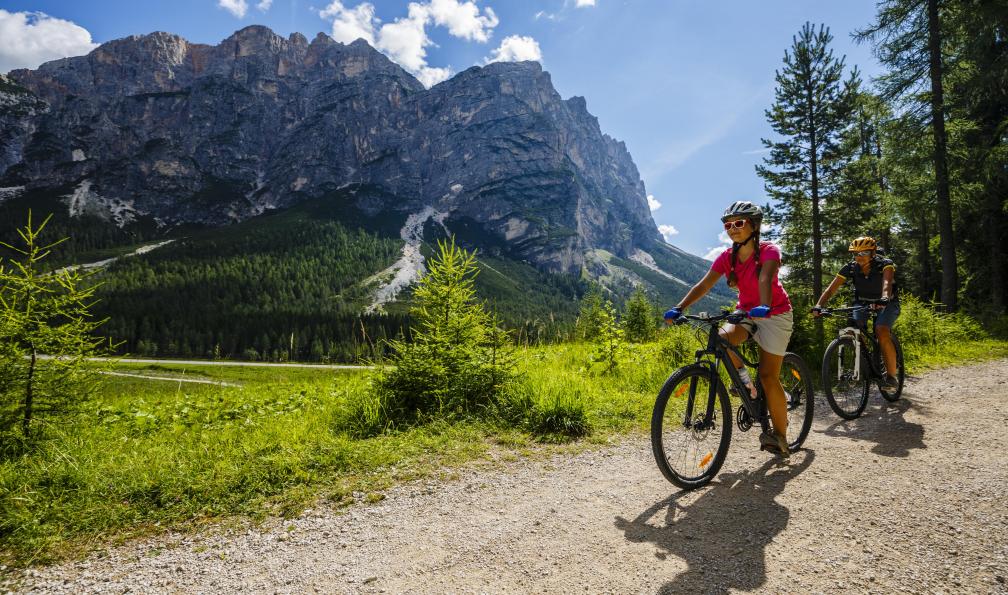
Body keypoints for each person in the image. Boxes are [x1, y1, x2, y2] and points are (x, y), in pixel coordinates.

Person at [663, 201, 794, 458]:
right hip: (745, 312)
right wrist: (679, 307)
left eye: (738, 223)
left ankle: (779, 435)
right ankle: (746, 385)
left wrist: (765, 305)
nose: (732, 228)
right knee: (722, 338)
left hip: (775, 314)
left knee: (769, 377)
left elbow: (766, 278)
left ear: (754, 226)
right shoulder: (728, 257)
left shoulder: (769, 251)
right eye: (727, 225)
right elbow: (704, 285)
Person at [812, 236, 900, 392]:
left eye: (864, 252)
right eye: (856, 253)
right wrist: (819, 305)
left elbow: (887, 284)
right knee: (853, 329)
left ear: (873, 253)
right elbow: (831, 289)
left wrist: (884, 298)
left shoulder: (885, 264)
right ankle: (863, 362)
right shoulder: (851, 268)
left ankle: (892, 377)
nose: (859, 257)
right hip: (863, 303)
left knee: (881, 330)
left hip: (887, 303)